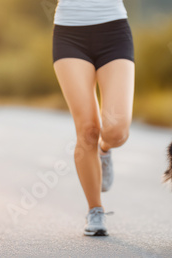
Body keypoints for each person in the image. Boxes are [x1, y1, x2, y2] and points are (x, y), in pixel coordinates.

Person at [52, 0, 135, 236]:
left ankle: (104, 150)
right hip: (69, 32)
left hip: (114, 31)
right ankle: (95, 209)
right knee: (87, 130)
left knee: (116, 131)